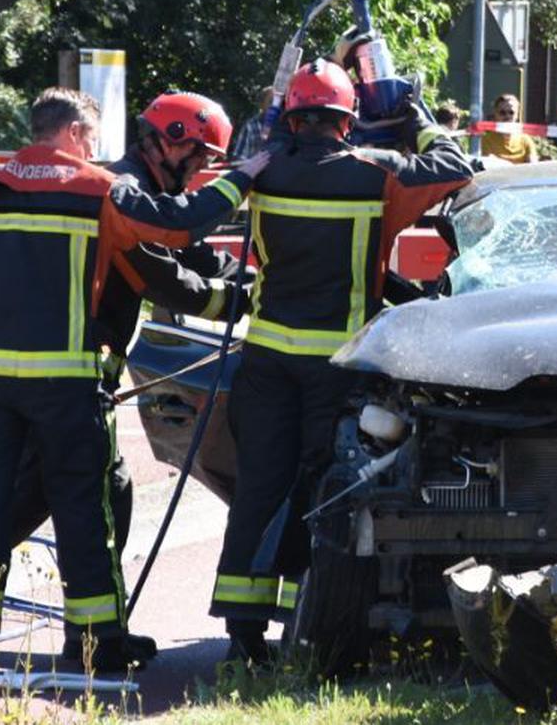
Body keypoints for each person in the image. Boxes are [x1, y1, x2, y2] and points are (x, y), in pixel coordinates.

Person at [0, 88, 268, 673]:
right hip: (68, 388)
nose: (97, 150)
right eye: (93, 140)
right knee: (84, 513)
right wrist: (244, 178)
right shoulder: (103, 192)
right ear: (75, 134)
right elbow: (175, 231)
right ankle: (93, 647)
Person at [210, 60, 471, 666]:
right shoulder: (375, 175)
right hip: (339, 363)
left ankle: (242, 633)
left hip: (267, 358)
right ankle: (314, 622)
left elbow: (267, 154)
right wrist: (417, 120)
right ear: (347, 122)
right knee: (327, 492)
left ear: (293, 117)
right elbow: (455, 168)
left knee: (260, 488)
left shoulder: (265, 172)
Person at [479, 93, 539, 164]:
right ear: (495, 114)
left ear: (517, 115)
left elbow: (533, 166)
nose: (507, 116)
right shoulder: (486, 140)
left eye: (511, 112)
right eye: (502, 113)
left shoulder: (525, 140)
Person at [229, 86, 276, 162]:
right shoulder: (250, 126)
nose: (275, 106)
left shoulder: (288, 126)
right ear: (262, 105)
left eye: (278, 103)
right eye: (271, 102)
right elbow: (239, 159)